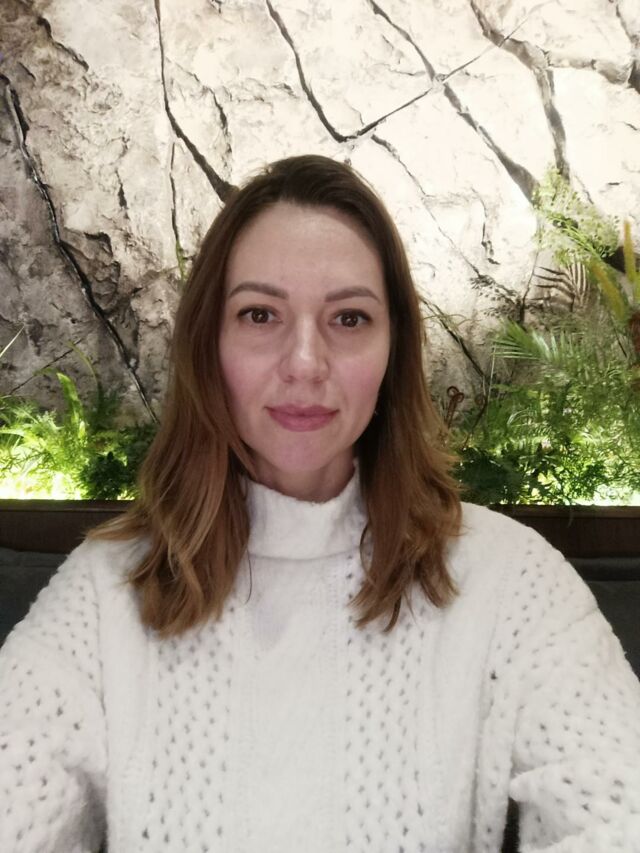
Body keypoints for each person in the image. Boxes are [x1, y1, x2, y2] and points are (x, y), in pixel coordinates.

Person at [1, 154, 639, 853]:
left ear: (394, 348)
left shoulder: (512, 582)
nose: (305, 362)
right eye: (260, 314)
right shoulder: (105, 594)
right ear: (209, 343)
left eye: (349, 318)